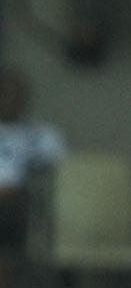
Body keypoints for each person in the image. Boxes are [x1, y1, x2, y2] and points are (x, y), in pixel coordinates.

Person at [0, 66, 67, 286]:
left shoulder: (43, 135)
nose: (8, 98)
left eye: (15, 92)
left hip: (28, 211)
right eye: (3, 91)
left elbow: (65, 181)